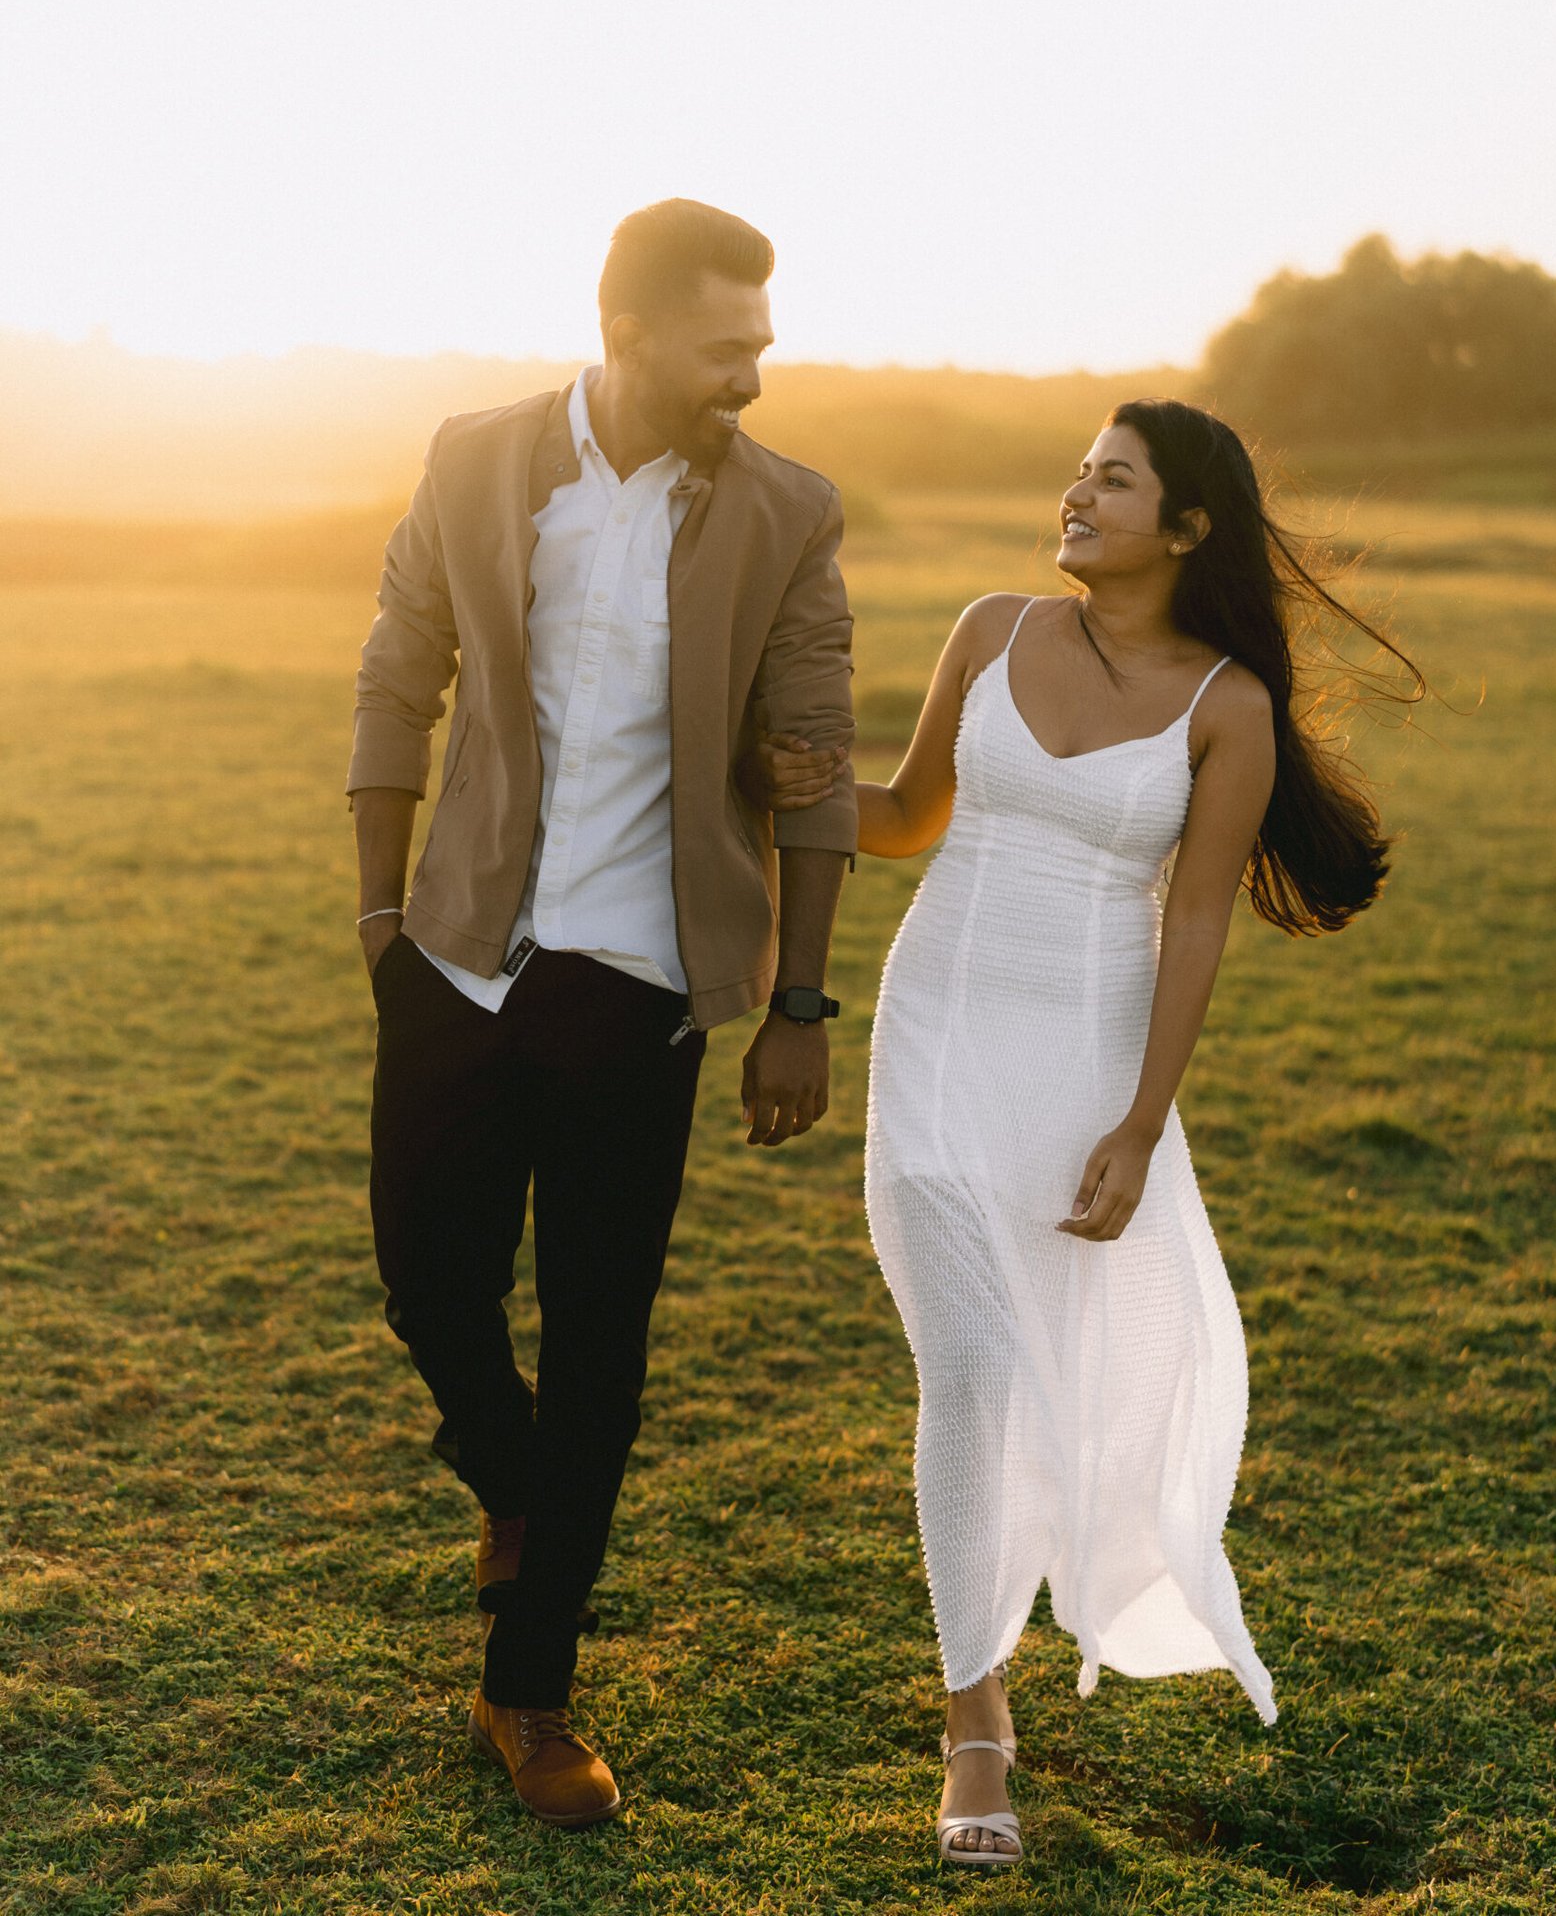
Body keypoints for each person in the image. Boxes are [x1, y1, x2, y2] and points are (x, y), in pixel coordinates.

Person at [755, 399, 1418, 1870]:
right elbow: (909, 815)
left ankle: (1037, 1605)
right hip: (937, 1038)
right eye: (1079, 472)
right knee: (973, 1365)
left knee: (1042, 1365)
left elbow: (1197, 924)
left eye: (1114, 481)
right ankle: (975, 1721)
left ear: (1185, 528)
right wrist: (788, 787)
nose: (1078, 494)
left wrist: (1142, 1122)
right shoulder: (991, 630)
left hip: (1087, 1059)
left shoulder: (1228, 708)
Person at [347, 199, 855, 1828]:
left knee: (601, 1347)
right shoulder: (475, 460)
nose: (751, 378)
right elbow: (397, 674)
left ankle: (531, 1689)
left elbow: (814, 767)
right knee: (428, 1288)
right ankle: (515, 1484)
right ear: (626, 332)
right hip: (456, 958)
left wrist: (797, 1003)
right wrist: (380, 920)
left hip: (639, 989)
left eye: (762, 347)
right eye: (725, 349)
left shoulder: (790, 514)